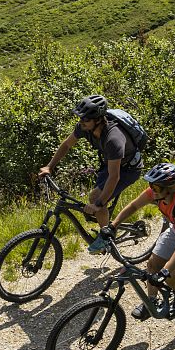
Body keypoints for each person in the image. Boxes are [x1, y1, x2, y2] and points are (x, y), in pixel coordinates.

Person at [112, 162, 175, 322]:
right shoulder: (157, 193)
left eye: (156, 187)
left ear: (170, 188)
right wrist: (113, 226)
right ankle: (151, 302)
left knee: (171, 278)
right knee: (152, 264)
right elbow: (134, 206)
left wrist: (165, 272)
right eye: (151, 185)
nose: (152, 190)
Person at [34, 95, 141, 251]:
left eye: (85, 118)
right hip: (110, 163)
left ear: (98, 119)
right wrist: (49, 167)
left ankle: (106, 239)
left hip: (129, 169)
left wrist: (98, 204)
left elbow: (114, 176)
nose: (81, 121)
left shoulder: (113, 138)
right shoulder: (85, 127)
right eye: (80, 117)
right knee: (94, 198)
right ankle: (105, 224)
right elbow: (66, 145)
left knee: (97, 199)